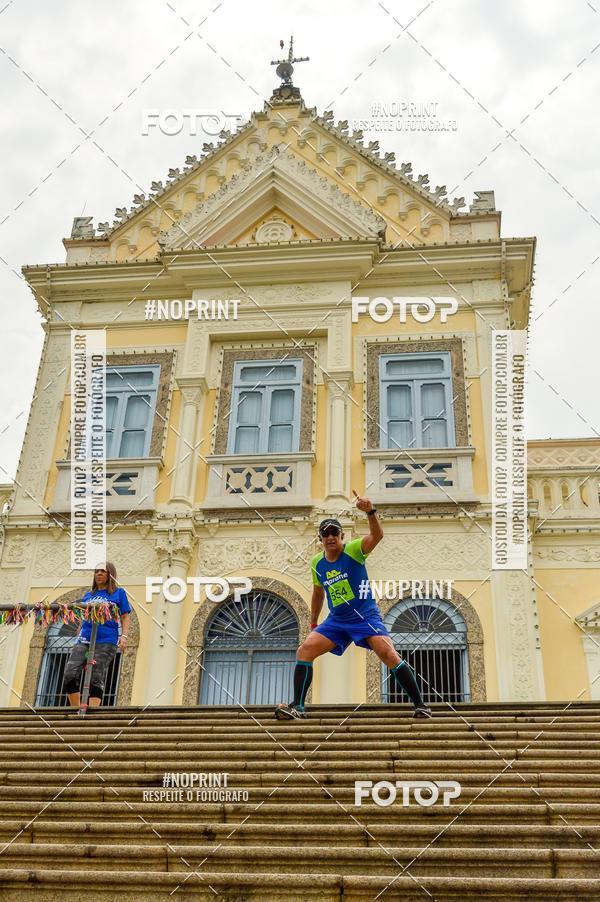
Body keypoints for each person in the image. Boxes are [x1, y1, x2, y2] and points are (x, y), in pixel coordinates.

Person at [275, 491, 431, 720]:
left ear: (341, 536)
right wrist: (314, 620)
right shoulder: (317, 562)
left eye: (334, 533)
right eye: (325, 534)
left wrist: (370, 511)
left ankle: (420, 704)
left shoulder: (354, 550)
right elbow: (318, 593)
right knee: (305, 650)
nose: (330, 537)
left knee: (387, 652)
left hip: (365, 616)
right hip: (337, 621)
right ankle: (297, 707)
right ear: (320, 539)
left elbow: (377, 536)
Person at [63, 562, 131, 708]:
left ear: (110, 574)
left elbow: (125, 616)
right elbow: (84, 614)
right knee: (70, 672)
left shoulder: (118, 593)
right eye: (97, 571)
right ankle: (77, 709)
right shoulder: (88, 595)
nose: (99, 574)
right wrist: (80, 629)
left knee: (96, 674)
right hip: (84, 638)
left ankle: (93, 711)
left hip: (106, 639)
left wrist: (124, 637)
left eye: (103, 571)